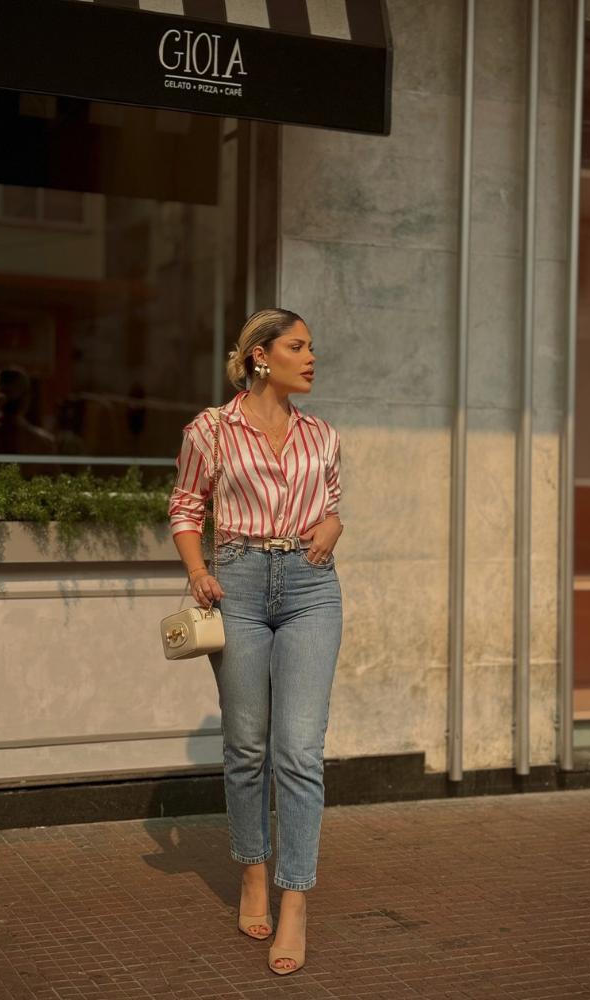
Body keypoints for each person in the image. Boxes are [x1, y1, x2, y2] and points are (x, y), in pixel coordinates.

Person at [168, 308, 343, 976]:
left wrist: (335, 527)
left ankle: (294, 897)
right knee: (247, 746)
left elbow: (328, 508)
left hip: (311, 589)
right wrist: (198, 572)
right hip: (235, 587)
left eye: (312, 347)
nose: (312, 357)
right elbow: (186, 507)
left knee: (298, 750)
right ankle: (251, 869)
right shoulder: (210, 430)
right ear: (261, 356)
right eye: (299, 346)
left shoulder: (323, 435)